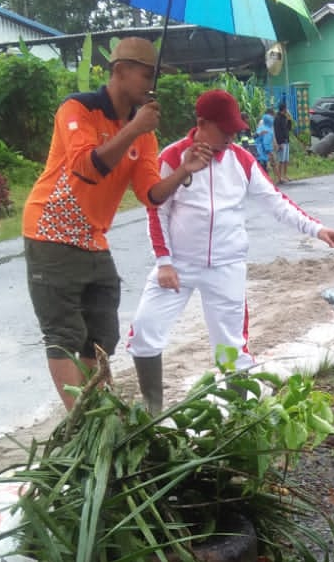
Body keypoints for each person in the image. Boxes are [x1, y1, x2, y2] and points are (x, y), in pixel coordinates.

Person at [127, 90, 334, 412]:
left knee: (231, 347)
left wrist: (316, 229)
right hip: (179, 266)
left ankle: (242, 416)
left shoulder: (241, 160)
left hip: (226, 265)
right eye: (225, 129)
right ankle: (152, 411)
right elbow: (156, 210)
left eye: (235, 129)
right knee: (145, 330)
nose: (232, 136)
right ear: (202, 123)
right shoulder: (174, 158)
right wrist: (164, 262)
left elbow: (276, 202)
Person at [22, 36, 211, 410]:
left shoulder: (145, 135)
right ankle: (81, 421)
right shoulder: (78, 109)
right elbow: (87, 167)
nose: (152, 84)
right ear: (120, 71)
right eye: (147, 74)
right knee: (63, 333)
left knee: (101, 335)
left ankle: (94, 410)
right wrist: (134, 129)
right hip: (51, 234)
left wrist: (183, 171)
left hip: (94, 238)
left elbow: (150, 194)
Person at [271, 99, 294, 185]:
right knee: (280, 160)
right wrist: (279, 143)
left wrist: (289, 119)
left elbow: (288, 129)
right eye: (286, 109)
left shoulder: (285, 117)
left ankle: (285, 175)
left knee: (285, 160)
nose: (287, 110)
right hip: (281, 142)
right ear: (283, 109)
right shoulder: (277, 118)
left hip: (286, 140)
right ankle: (279, 177)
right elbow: (277, 132)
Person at [254, 106, 275, 171]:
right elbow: (266, 143)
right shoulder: (266, 127)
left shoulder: (263, 125)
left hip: (257, 151)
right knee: (264, 171)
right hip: (262, 153)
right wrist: (270, 153)